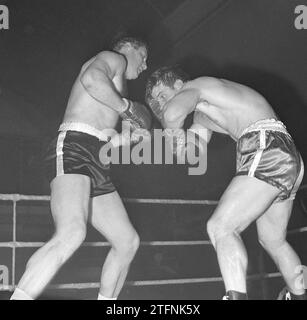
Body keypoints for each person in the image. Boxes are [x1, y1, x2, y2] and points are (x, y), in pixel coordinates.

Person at [145, 66, 306, 300]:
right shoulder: (202, 115)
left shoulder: (197, 86)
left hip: (266, 146)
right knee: (273, 240)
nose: (161, 104)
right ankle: (299, 295)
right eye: (156, 102)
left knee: (221, 227)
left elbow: (171, 115)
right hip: (283, 157)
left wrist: (170, 128)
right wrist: (176, 141)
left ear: (179, 84)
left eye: (162, 95)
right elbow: (191, 154)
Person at [10, 36, 152, 300]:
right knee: (72, 232)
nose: (144, 65)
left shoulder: (118, 89)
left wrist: (134, 135)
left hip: (95, 155)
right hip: (75, 145)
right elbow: (91, 80)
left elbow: (107, 137)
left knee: (127, 241)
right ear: (129, 48)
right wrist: (126, 109)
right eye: (143, 57)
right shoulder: (113, 58)